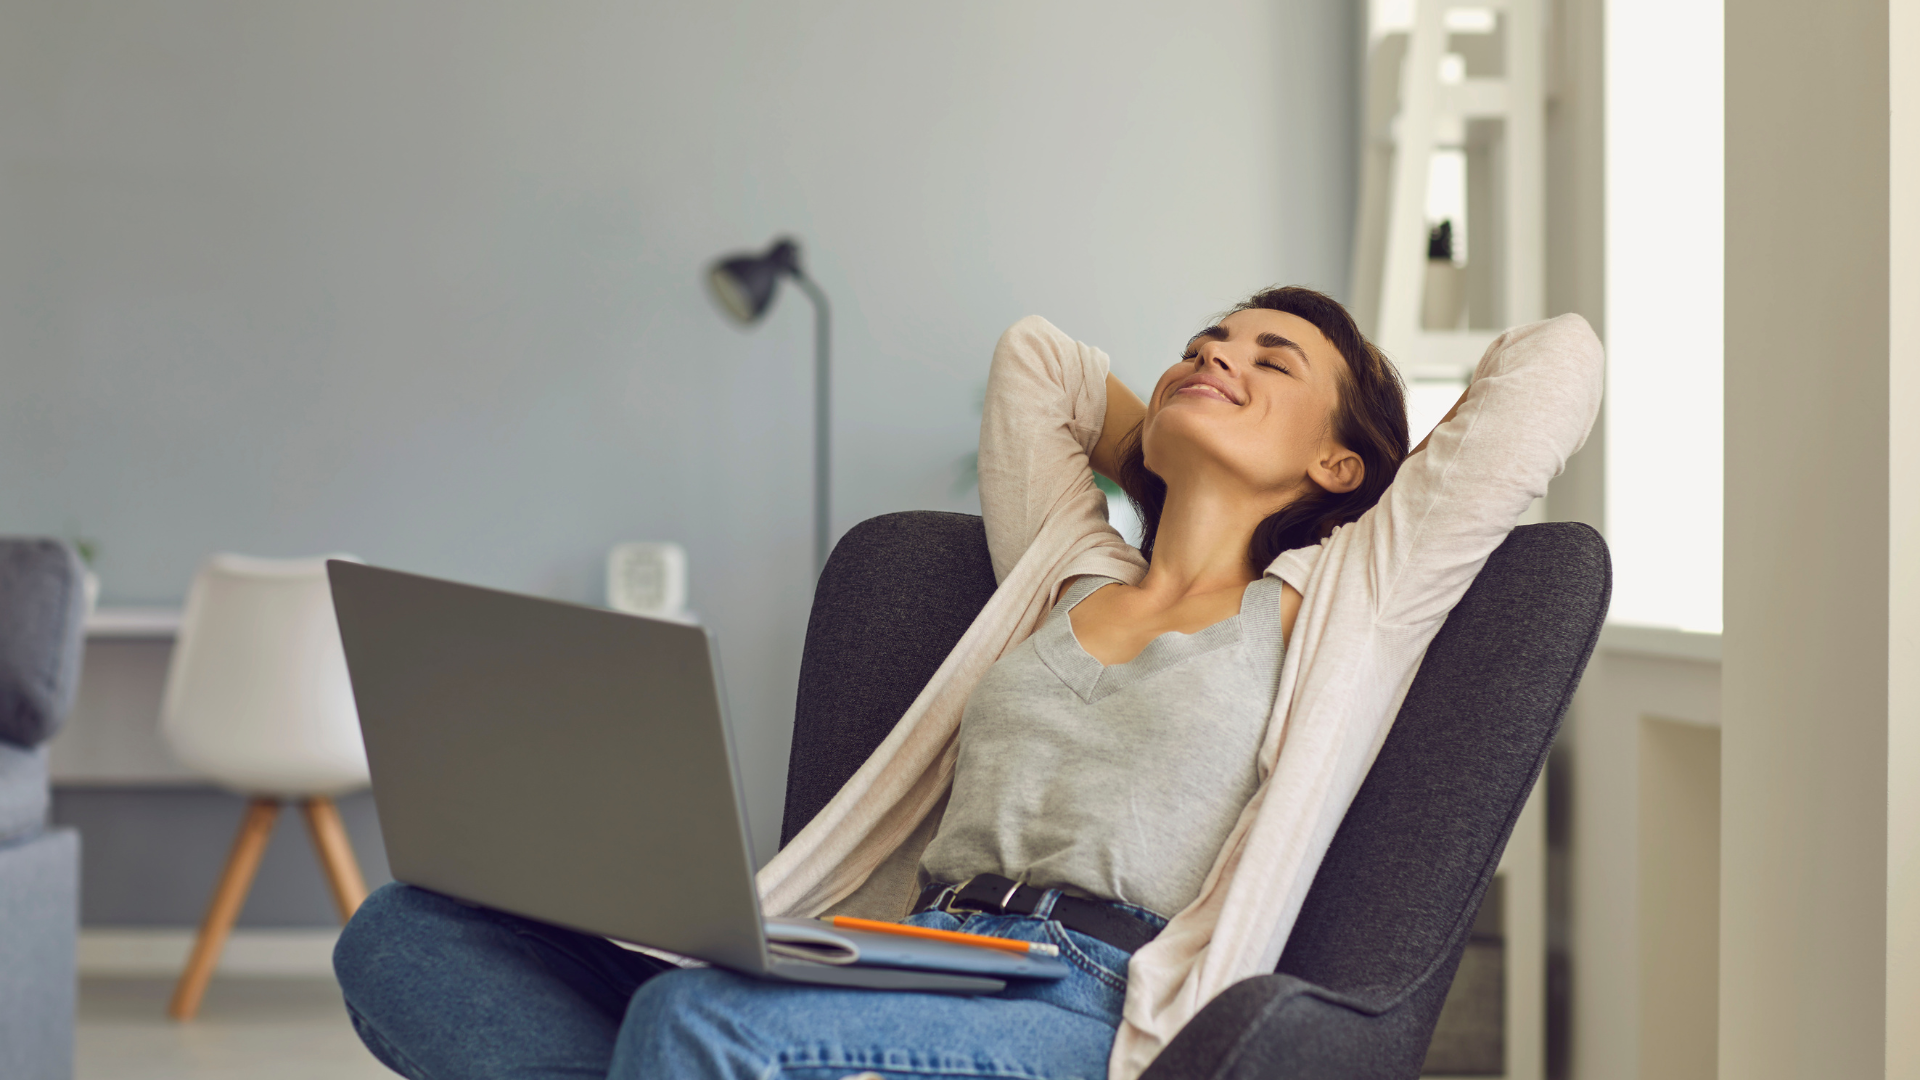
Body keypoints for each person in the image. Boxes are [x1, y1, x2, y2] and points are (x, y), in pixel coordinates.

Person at [334, 285, 1603, 1080]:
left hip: (1083, 997)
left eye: (1270, 360)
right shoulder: (1063, 566)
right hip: (897, 951)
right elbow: (1038, 360)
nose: (1215, 354)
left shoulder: (1353, 597)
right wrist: (1168, 439)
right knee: (409, 937)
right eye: (1201, 344)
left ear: (1338, 465)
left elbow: (1559, 363)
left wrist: (1279, 461)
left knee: (696, 1031)